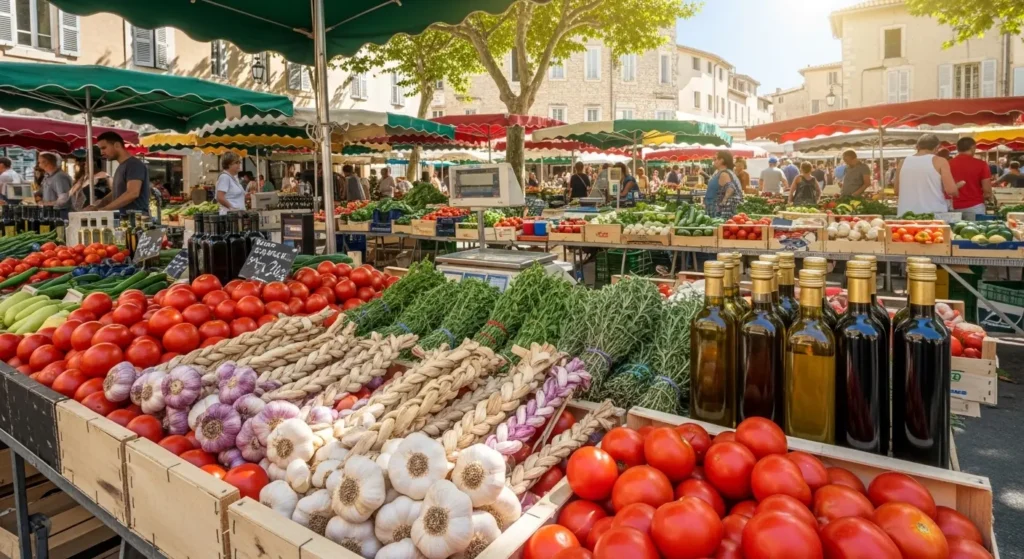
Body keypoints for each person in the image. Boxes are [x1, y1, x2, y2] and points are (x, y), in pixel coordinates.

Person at [895, 134, 961, 217]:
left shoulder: (902, 162)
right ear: (937, 147)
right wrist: (957, 186)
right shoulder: (940, 161)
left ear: (917, 147)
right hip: (932, 215)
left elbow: (897, 191)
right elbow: (951, 190)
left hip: (906, 215)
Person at [88, 131, 150, 213]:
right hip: (123, 220)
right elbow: (116, 192)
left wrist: (105, 210)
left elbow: (132, 193)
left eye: (104, 148)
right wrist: (98, 206)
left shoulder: (133, 164)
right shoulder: (121, 166)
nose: (101, 152)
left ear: (117, 145)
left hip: (135, 220)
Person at [948, 137, 993, 221]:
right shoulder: (981, 164)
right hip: (975, 206)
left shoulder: (948, 164)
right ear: (973, 147)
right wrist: (988, 197)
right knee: (976, 232)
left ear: (957, 148)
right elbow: (987, 190)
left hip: (953, 206)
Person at [707, 151, 744, 219]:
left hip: (722, 214)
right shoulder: (723, 172)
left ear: (721, 160)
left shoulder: (724, 174)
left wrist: (723, 201)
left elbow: (730, 188)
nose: (713, 161)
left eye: (715, 159)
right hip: (720, 212)